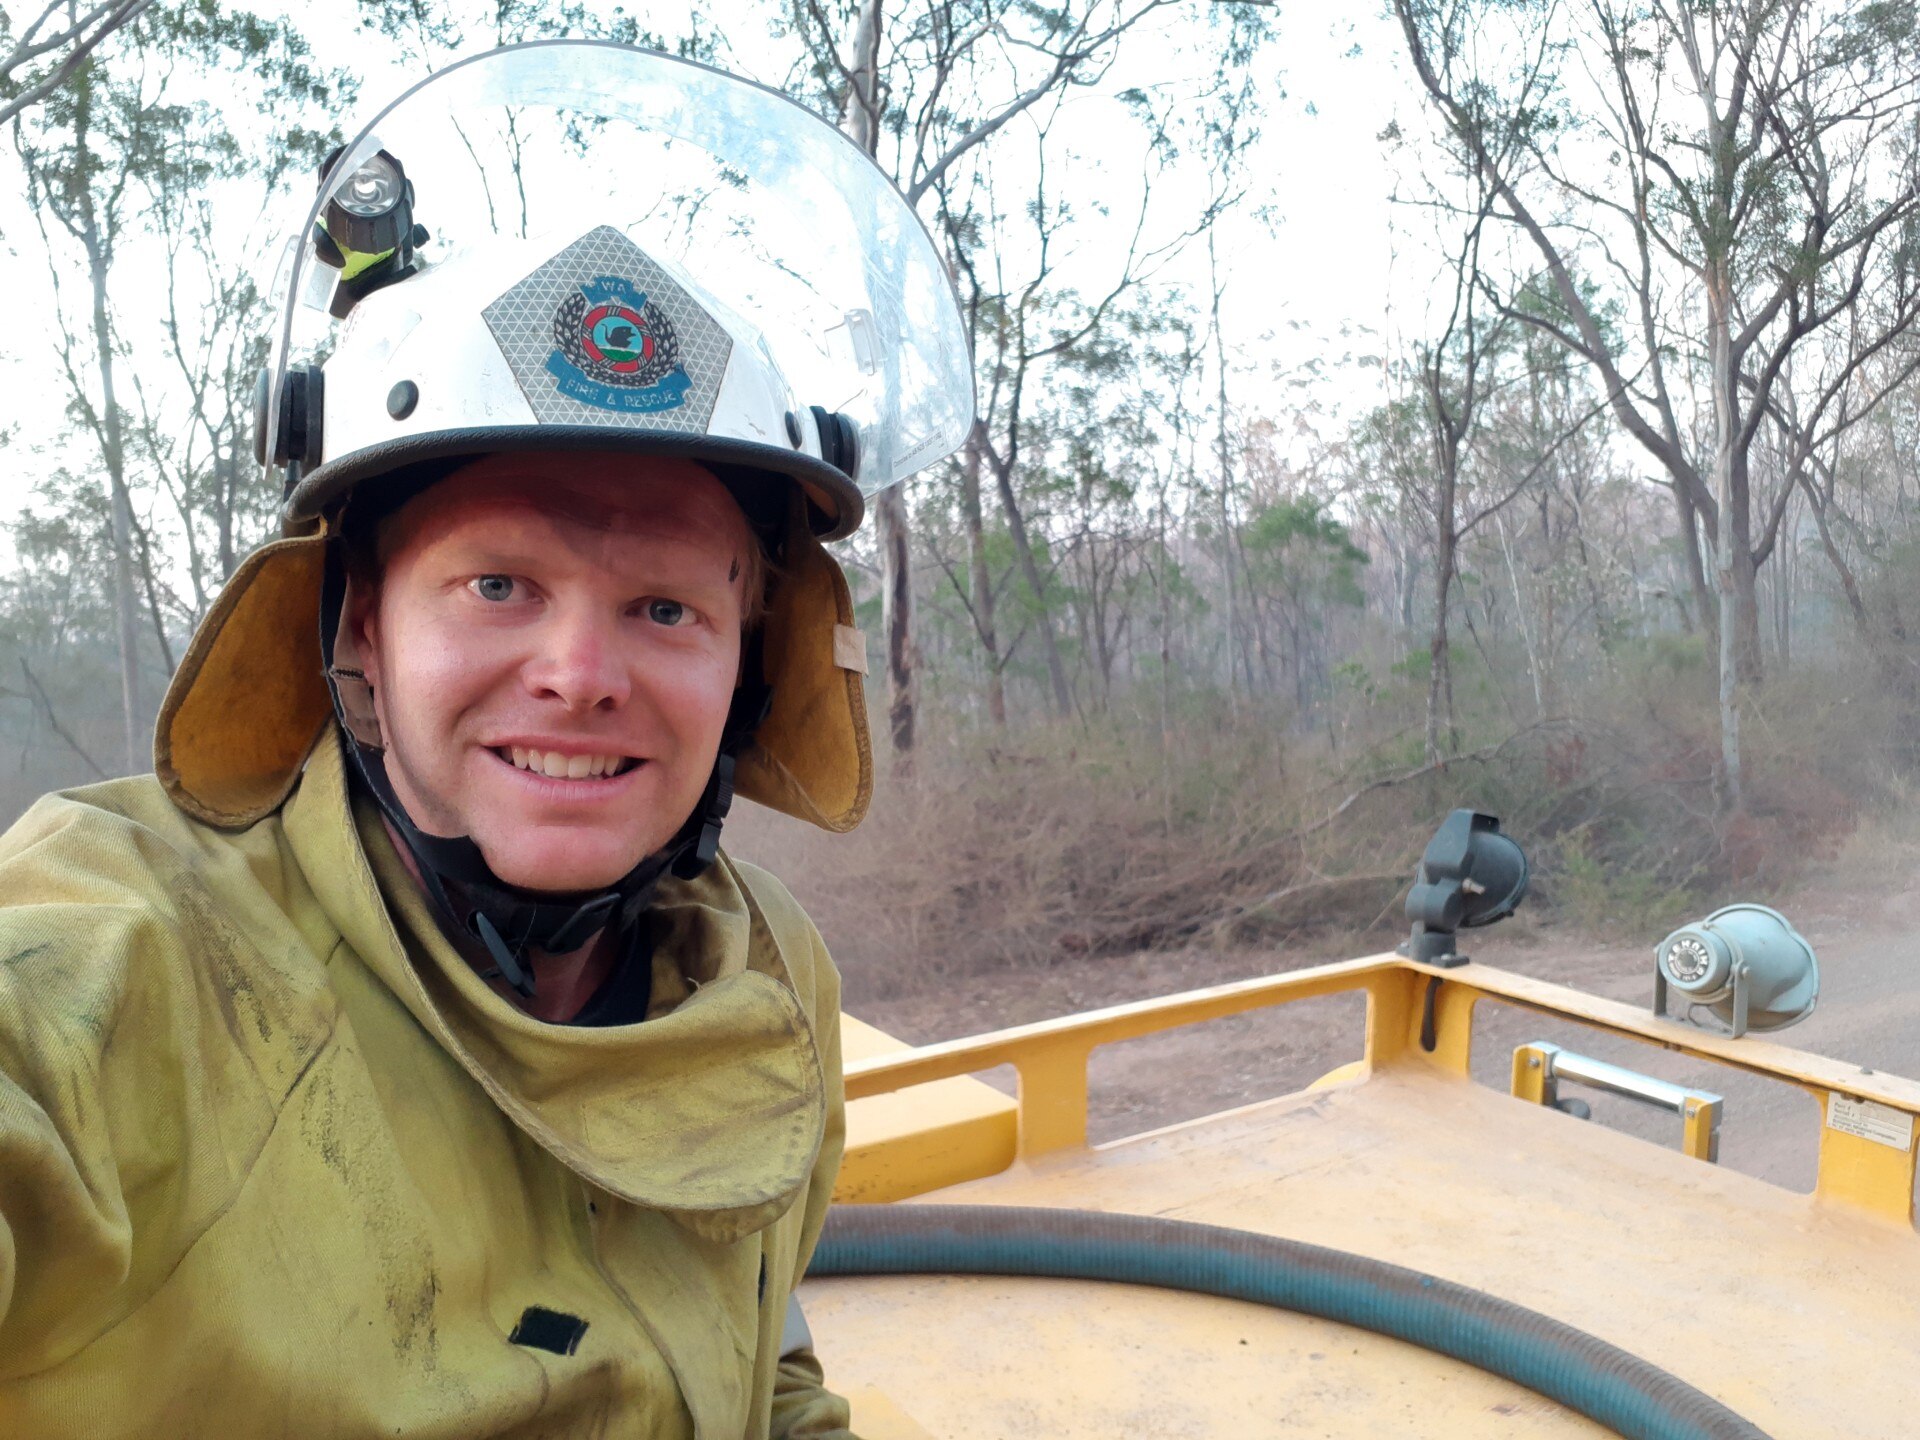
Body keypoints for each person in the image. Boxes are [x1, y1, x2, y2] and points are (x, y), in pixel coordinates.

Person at [0, 42, 973, 1440]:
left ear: (749, 670)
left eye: (664, 606)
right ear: (358, 637)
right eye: (498, 584)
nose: (580, 676)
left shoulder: (762, 981)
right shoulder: (131, 953)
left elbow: (764, 1367)